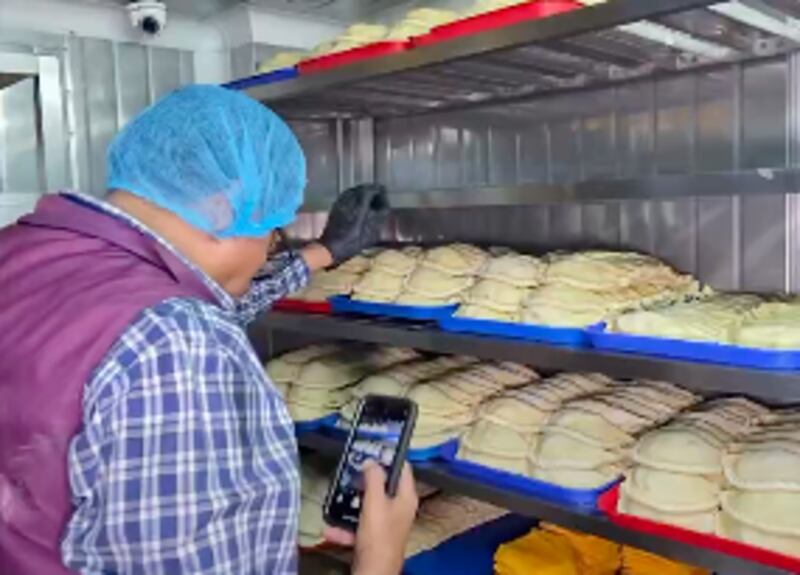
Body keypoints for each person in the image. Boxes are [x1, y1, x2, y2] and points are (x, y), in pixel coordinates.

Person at [0, 85, 418, 575]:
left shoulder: (25, 251)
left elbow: (169, 310)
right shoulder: (180, 347)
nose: (267, 249)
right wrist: (380, 556)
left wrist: (322, 254)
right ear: (222, 208)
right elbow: (177, 331)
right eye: (272, 233)